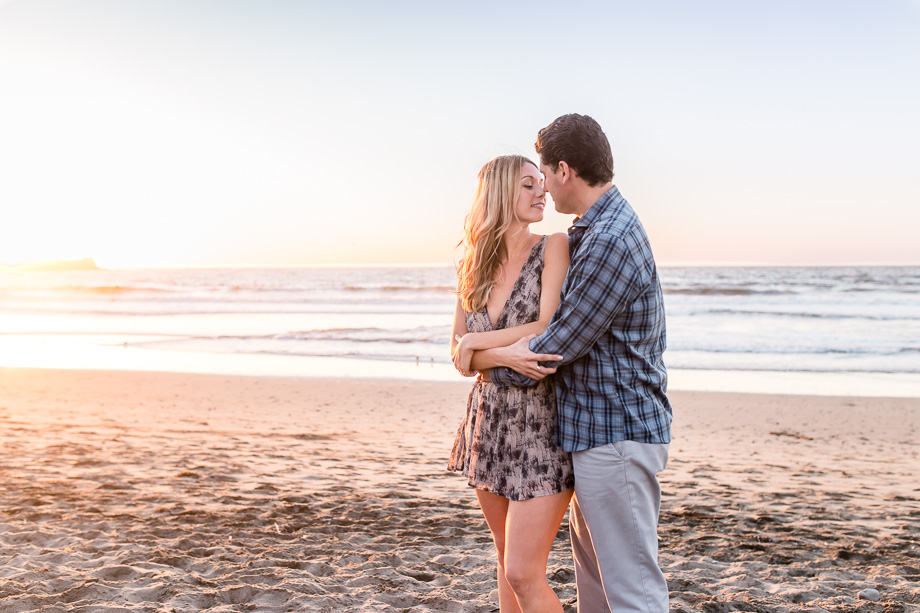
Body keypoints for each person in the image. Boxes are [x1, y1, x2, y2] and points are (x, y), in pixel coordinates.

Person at [468, 115, 673, 613]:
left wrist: (474, 356)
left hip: (617, 434)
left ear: (563, 170)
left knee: (631, 590)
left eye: (542, 173)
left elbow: (555, 346)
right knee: (599, 589)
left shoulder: (608, 241)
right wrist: (480, 355)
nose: (542, 189)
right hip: (591, 434)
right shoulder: (594, 229)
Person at [447, 154, 574, 612]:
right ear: (501, 193)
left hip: (540, 425)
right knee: (505, 561)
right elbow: (457, 352)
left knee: (524, 570)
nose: (542, 191)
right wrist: (495, 354)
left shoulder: (553, 245)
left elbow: (543, 325)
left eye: (542, 182)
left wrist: (477, 346)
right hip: (488, 420)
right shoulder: (470, 262)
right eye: (528, 185)